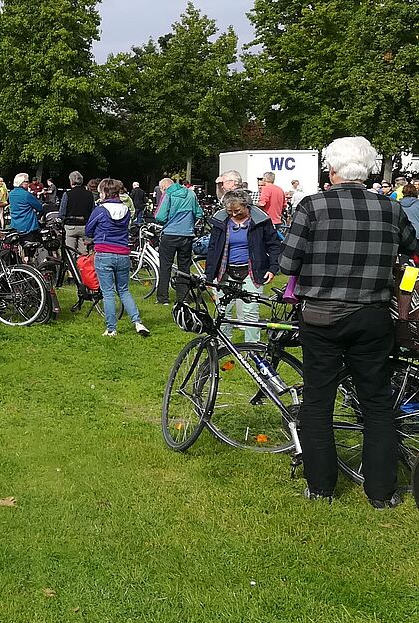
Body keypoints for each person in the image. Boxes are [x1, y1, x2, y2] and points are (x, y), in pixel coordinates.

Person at [280, 136, 419, 508]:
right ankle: (380, 493)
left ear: (332, 169)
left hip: (322, 316)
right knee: (376, 402)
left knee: (318, 401)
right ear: (369, 170)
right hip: (372, 316)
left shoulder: (313, 205)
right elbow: (411, 245)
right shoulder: (389, 207)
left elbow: (287, 263)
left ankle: (321, 487)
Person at [204, 190, 282, 343]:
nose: (233, 215)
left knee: (250, 311)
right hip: (225, 271)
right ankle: (223, 347)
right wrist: (209, 274)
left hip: (251, 271)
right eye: (229, 211)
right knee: (223, 312)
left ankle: (252, 348)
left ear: (247, 206)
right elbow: (213, 248)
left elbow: (274, 246)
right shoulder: (220, 221)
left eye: (237, 211)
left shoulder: (261, 221)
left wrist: (273, 268)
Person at [86, 179, 150, 338]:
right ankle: (137, 322)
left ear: (104, 193)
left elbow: (88, 230)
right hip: (123, 253)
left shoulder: (100, 210)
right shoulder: (126, 210)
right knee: (124, 290)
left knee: (108, 293)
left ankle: (111, 328)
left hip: (104, 253)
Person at [153, 177, 204, 304]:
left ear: (164, 187)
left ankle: (163, 298)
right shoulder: (191, 194)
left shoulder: (168, 194)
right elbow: (199, 213)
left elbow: (160, 216)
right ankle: (183, 298)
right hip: (187, 235)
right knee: (184, 267)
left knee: (165, 266)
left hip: (170, 234)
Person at [59, 171, 93, 255]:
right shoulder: (89, 194)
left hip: (71, 226)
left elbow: (62, 213)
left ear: (71, 181)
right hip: (85, 227)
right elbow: (92, 211)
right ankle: (82, 267)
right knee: (84, 253)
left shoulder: (67, 194)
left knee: (71, 252)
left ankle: (71, 266)